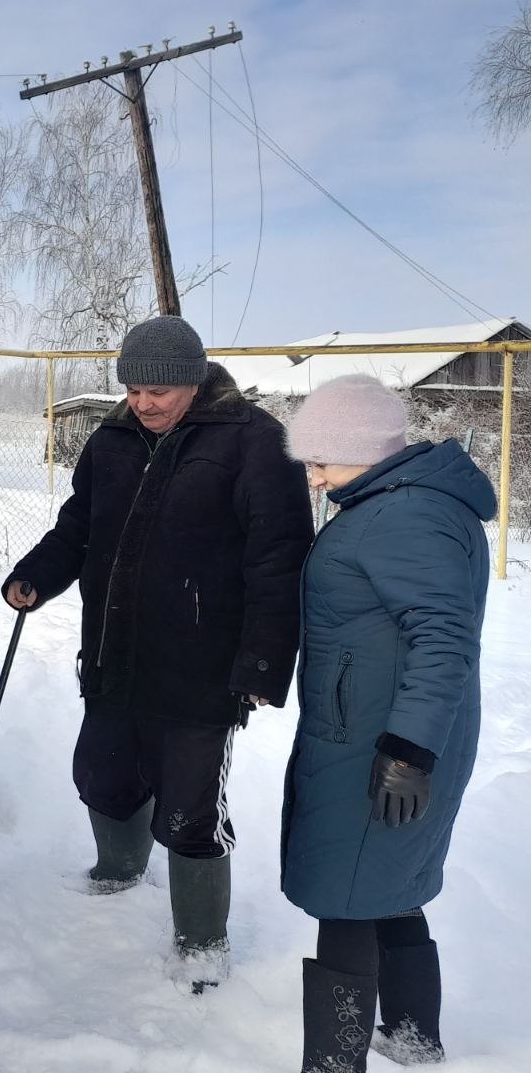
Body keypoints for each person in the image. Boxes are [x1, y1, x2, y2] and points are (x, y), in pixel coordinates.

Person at [3, 315, 313, 990]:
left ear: (193, 383)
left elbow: (279, 558)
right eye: (133, 390)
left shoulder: (255, 443)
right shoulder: (112, 439)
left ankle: (202, 939)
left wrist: (262, 662)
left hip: (203, 666)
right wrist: (35, 575)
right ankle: (118, 872)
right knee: (103, 774)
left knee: (191, 807)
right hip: (116, 648)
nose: (142, 404)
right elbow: (79, 526)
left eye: (157, 393)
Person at [281, 374, 493, 1072]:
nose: (312, 479)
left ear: (365, 450)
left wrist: (408, 749)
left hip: (383, 741)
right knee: (391, 888)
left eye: (320, 461)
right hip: (387, 732)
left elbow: (443, 636)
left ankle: (332, 1064)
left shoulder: (403, 515)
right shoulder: (398, 502)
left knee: (348, 899)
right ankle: (411, 1037)